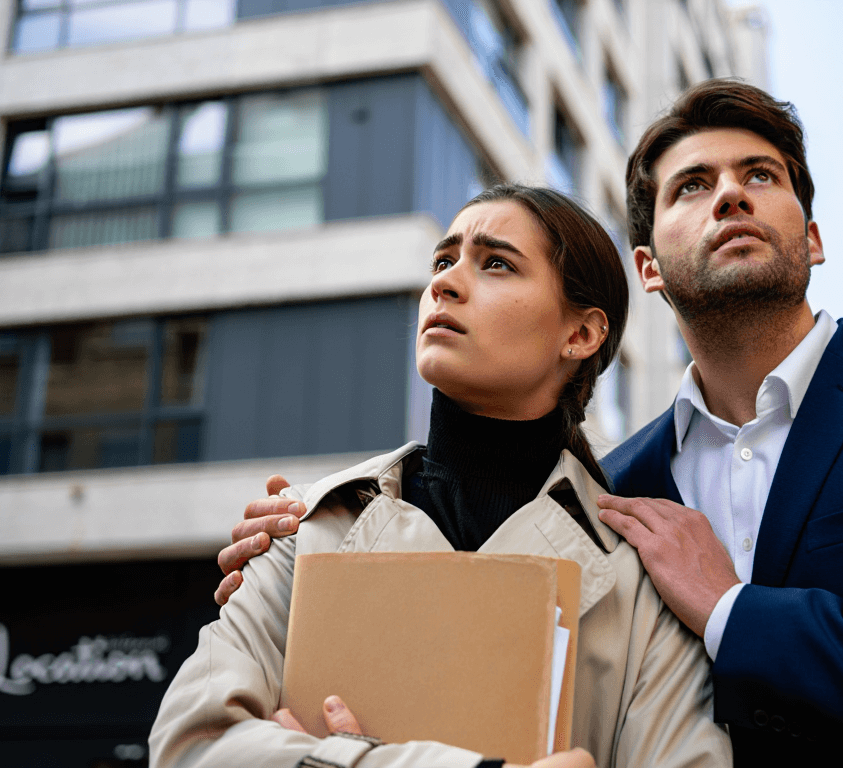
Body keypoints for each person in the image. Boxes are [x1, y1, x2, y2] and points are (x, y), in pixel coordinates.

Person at [217, 80, 843, 766]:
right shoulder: (612, 491)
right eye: (692, 186)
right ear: (647, 268)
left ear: (814, 237)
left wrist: (734, 612)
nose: (729, 195)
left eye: (759, 176)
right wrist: (315, 527)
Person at [148, 184, 732, 768]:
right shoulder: (306, 527)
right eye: (443, 261)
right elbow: (189, 746)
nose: (444, 284)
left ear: (580, 335)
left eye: (496, 264)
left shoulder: (645, 584)